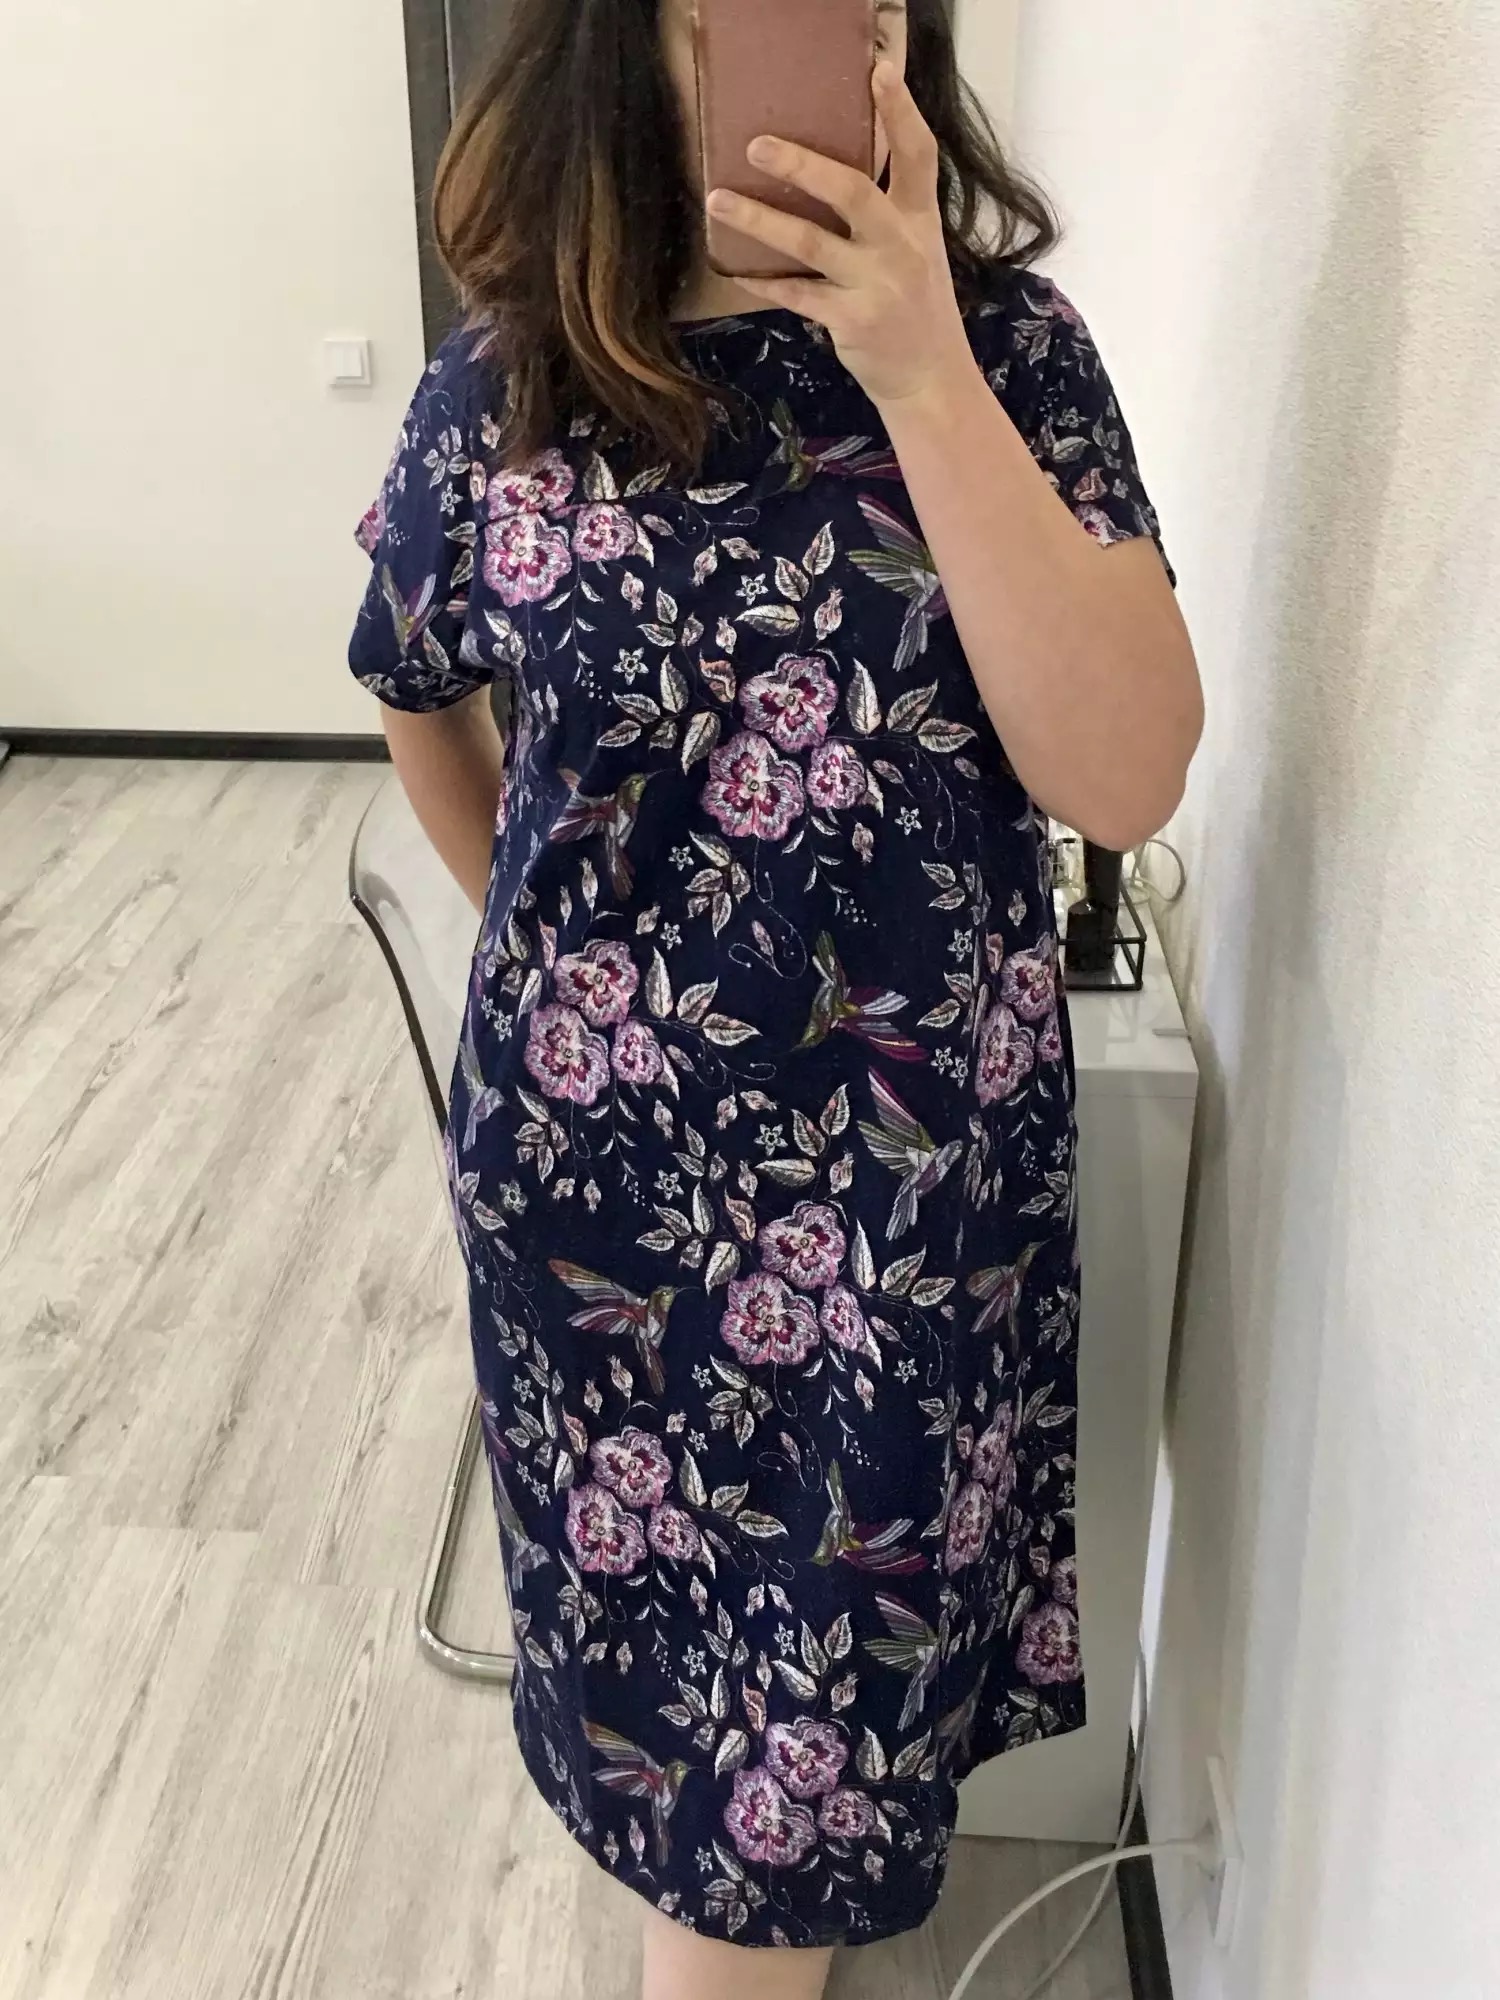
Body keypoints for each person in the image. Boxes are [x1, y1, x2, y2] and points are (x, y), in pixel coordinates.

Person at [348, 2, 1202, 1994]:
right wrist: (563, 973)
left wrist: (919, 370)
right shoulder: (509, 384)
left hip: (910, 1222)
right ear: (632, 41)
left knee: (812, 1758)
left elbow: (1125, 776)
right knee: (696, 1758)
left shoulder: (1011, 358)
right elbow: (412, 682)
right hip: (604, 1217)